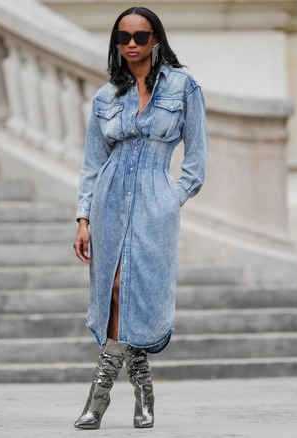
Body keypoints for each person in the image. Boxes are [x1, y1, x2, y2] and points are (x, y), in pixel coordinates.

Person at [72, 6, 208, 430]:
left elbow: (197, 161)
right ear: (116, 42)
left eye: (141, 36)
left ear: (156, 39)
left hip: (154, 202)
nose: (132, 44)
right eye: (124, 36)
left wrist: (172, 197)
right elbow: (93, 163)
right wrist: (82, 218)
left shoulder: (184, 87)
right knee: (113, 288)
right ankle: (115, 395)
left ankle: (122, 393)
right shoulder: (105, 96)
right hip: (108, 201)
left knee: (136, 291)